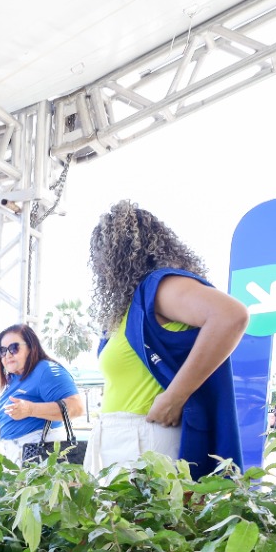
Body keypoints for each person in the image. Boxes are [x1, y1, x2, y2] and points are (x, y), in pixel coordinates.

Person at [84, 200, 250, 478]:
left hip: (145, 439)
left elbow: (231, 316)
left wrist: (175, 396)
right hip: (121, 439)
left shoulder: (158, 287)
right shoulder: (127, 310)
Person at [0, 323, 83, 458]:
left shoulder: (45, 370)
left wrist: (30, 409)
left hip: (41, 457)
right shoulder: (12, 380)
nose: (7, 355)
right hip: (17, 457)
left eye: (14, 348)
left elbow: (77, 407)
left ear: (31, 347)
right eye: (2, 351)